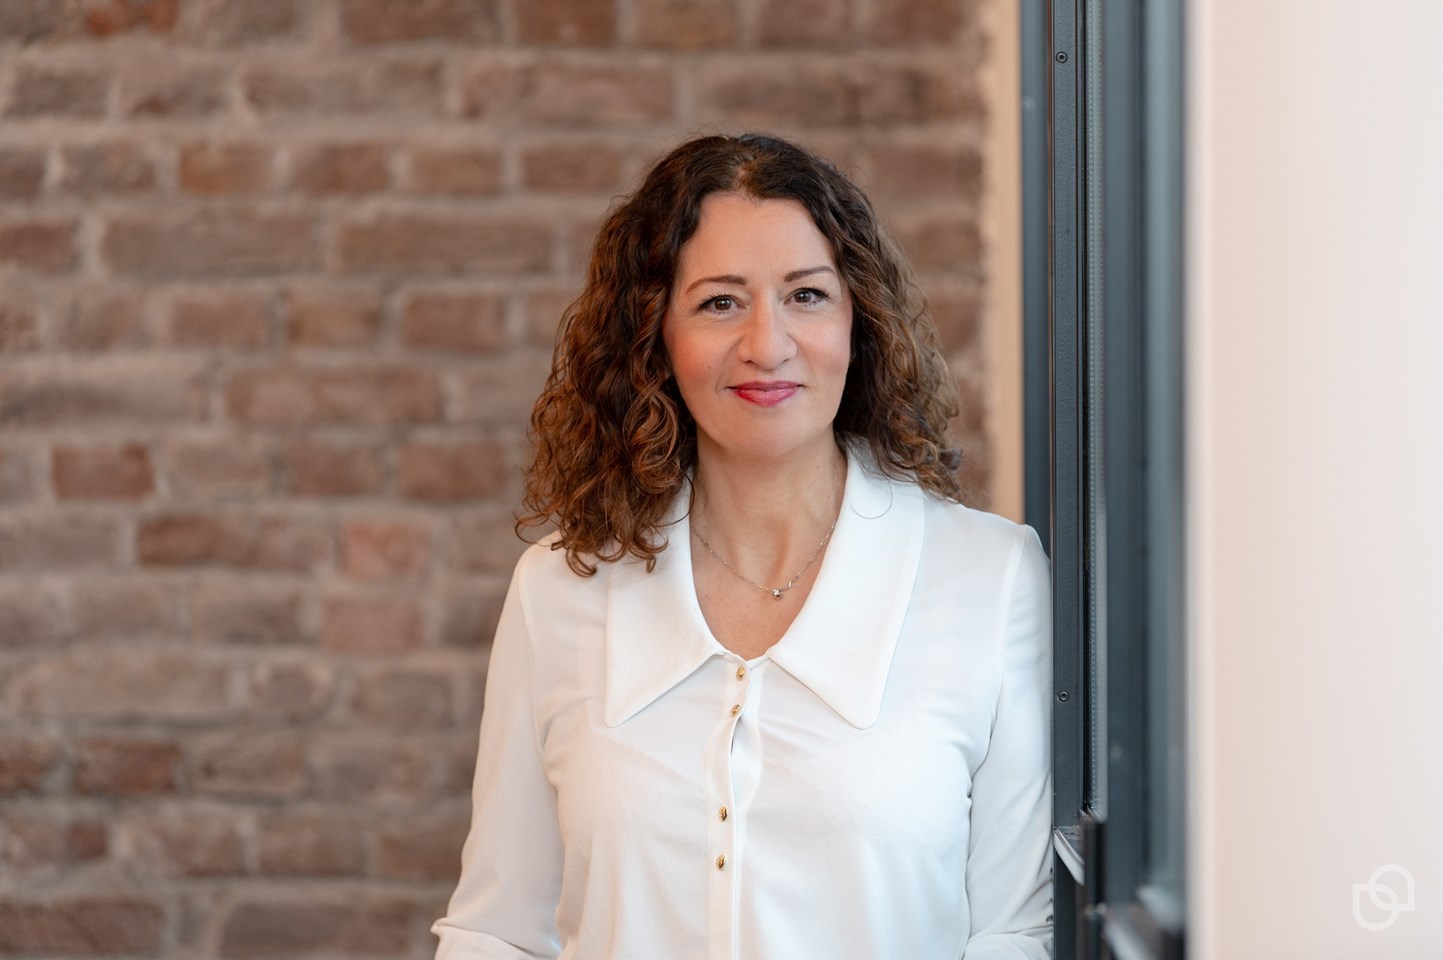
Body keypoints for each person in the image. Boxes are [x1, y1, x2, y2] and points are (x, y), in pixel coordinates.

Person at [432, 133, 1052, 960]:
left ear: (857, 322)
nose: (767, 344)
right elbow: (497, 932)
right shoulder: (558, 588)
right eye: (720, 303)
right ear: (655, 335)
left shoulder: (990, 579)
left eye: (806, 295)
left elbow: (1017, 932)